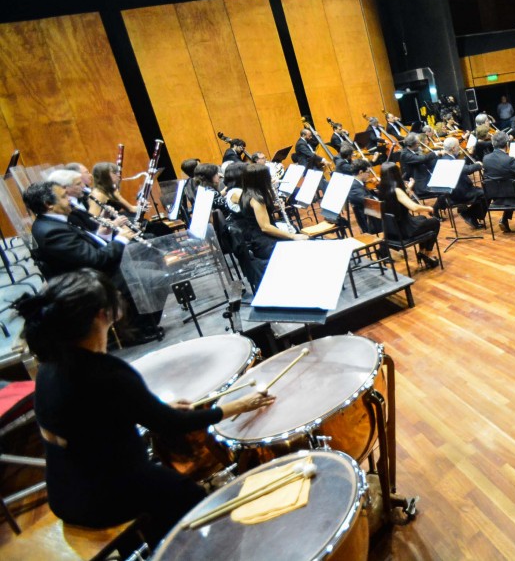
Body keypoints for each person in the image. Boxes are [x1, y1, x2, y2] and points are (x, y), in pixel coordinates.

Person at [17, 269, 275, 544]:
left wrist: (153, 409)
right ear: (101, 315)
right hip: (104, 496)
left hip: (64, 491)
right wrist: (238, 406)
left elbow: (98, 417)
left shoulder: (50, 366)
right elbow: (169, 424)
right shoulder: (106, 372)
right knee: (197, 501)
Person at [23, 182, 162, 345]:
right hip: (88, 280)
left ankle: (142, 324)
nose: (69, 199)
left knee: (153, 265)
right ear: (49, 204)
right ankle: (135, 331)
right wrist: (122, 238)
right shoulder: (50, 231)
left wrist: (104, 234)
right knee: (156, 277)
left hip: (89, 272)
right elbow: (96, 260)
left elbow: (82, 251)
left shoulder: (50, 224)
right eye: (63, 196)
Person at [227, 163, 307, 270]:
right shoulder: (257, 199)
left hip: (256, 238)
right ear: (261, 179)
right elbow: (265, 227)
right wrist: (292, 236)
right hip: (265, 243)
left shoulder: (246, 194)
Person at [377, 162, 440, 269]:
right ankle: (427, 254)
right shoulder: (397, 190)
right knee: (434, 222)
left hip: (391, 230)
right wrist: (428, 208)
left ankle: (422, 252)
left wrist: (408, 189)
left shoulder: (381, 189)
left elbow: (397, 200)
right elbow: (414, 207)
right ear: (396, 174)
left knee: (423, 218)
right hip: (404, 230)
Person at [440, 137, 486, 229]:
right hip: (459, 193)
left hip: (457, 190)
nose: (460, 147)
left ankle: (470, 214)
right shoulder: (448, 160)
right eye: (458, 146)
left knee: (482, 192)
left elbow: (462, 167)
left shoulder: (447, 157)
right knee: (486, 194)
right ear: (453, 148)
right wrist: (478, 165)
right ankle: (470, 215)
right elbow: (466, 169)